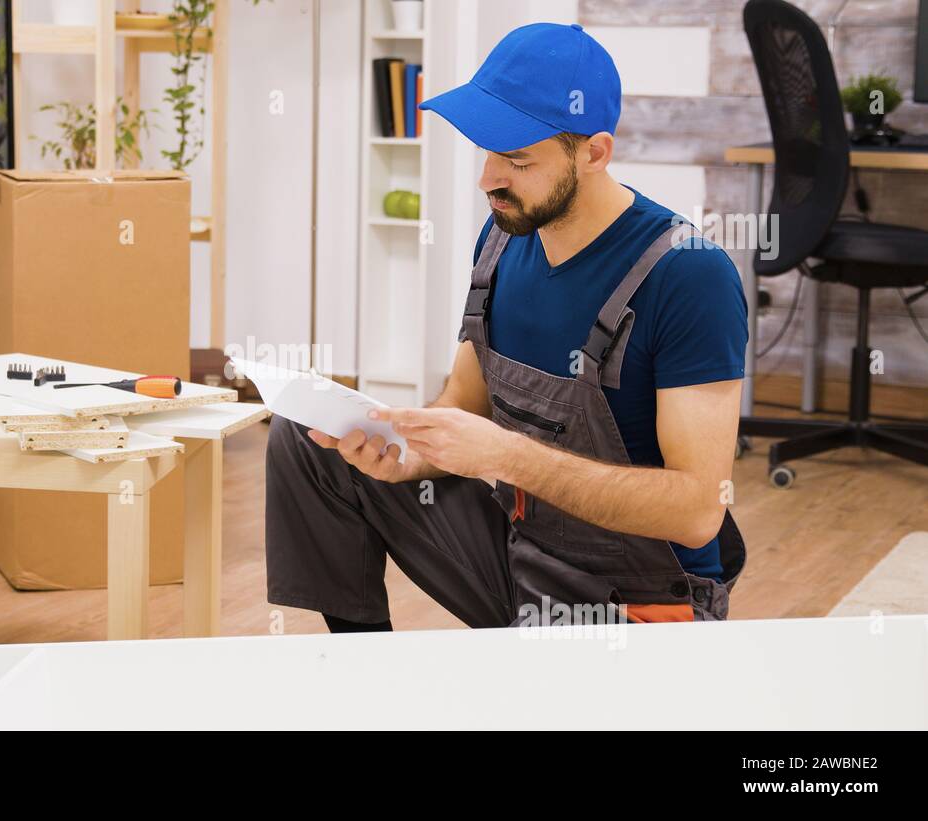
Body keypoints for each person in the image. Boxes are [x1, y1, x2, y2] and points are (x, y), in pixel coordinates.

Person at [265, 22, 749, 632]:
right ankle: (362, 677)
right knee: (305, 440)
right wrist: (404, 457)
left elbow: (699, 511)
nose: (488, 179)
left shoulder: (688, 276)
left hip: (636, 601)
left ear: (594, 152)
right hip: (519, 555)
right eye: (488, 152)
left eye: (517, 159)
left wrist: (510, 457)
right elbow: (465, 402)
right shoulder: (502, 240)